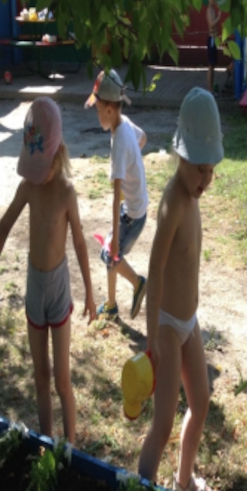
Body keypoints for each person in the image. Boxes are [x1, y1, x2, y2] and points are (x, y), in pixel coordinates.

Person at [0, 97, 95, 442]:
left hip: (58, 289)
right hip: (34, 287)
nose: (39, 175)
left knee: (61, 380)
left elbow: (80, 243)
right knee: (40, 376)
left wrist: (89, 292)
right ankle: (46, 443)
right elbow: (3, 227)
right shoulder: (28, 186)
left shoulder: (66, 192)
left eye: (43, 167)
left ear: (58, 154)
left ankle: (70, 448)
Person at [138, 88, 223, 491]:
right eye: (200, 169)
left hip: (189, 321)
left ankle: (184, 480)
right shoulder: (173, 200)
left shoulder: (193, 194)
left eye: (211, 170)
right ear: (180, 157)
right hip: (168, 327)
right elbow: (154, 270)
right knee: (163, 422)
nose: (206, 179)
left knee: (201, 402)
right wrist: (152, 336)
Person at [85, 69, 149, 321]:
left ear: (110, 109)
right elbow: (144, 138)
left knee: (109, 253)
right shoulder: (126, 124)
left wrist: (113, 243)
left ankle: (138, 283)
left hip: (132, 215)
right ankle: (111, 305)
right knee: (110, 247)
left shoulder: (119, 141)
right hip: (136, 207)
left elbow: (115, 197)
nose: (97, 115)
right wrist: (133, 164)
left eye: (98, 109)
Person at [205, 0, 221, 94]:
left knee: (213, 65)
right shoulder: (209, 10)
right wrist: (219, 17)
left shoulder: (213, 9)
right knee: (210, 65)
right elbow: (211, 24)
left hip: (214, 39)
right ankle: (209, 89)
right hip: (211, 39)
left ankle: (211, 87)